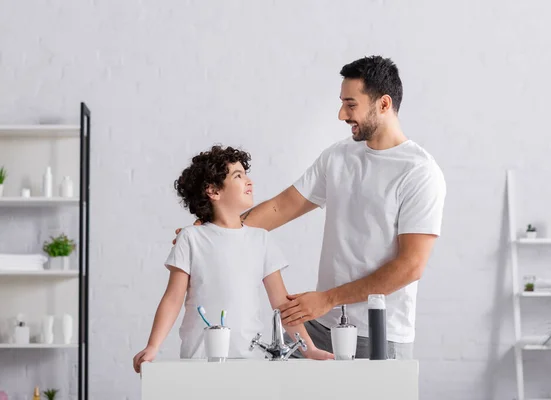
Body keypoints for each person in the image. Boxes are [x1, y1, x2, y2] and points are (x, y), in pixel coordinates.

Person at [174, 55, 446, 359]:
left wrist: (327, 299)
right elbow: (282, 207)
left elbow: (410, 267)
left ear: (384, 104)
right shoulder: (339, 157)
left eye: (351, 104)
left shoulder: (419, 172)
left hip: (379, 334)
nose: (342, 114)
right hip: (321, 325)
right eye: (342, 102)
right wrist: (213, 232)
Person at [133, 146, 332, 373]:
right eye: (238, 176)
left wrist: (309, 349)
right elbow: (173, 299)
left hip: (250, 363)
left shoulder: (261, 240)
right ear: (213, 191)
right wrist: (153, 346)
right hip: (200, 361)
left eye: (245, 174)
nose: (249, 181)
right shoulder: (191, 238)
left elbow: (282, 305)